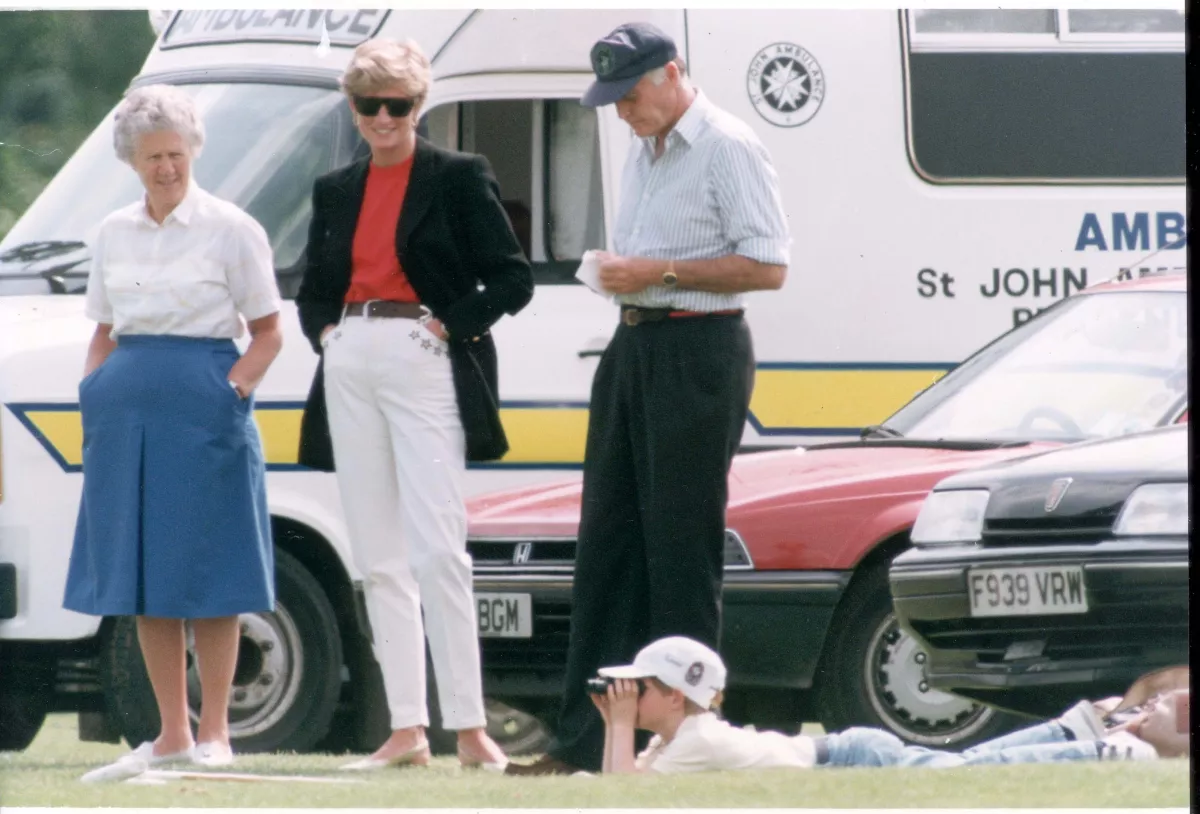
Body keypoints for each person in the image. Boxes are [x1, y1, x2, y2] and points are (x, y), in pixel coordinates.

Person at [505, 21, 790, 776]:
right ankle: (586, 746)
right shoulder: (643, 147)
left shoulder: (727, 146)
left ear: (672, 73)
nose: (623, 112)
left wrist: (655, 274)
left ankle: (689, 748)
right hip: (635, 346)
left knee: (679, 550)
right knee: (607, 547)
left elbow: (768, 265)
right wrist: (627, 277)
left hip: (700, 349)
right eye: (614, 100)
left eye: (630, 95)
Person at [295, 37, 533, 771]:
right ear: (354, 106)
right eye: (369, 104)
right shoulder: (335, 187)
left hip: (424, 354)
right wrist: (329, 335)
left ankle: (470, 729)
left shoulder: (460, 176)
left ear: (419, 105)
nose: (383, 117)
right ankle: (406, 730)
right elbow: (312, 291)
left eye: (397, 104)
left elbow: (511, 279)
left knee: (439, 549)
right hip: (351, 358)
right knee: (376, 556)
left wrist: (443, 325)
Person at [64, 85, 284, 783]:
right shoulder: (112, 233)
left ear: (193, 152)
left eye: (176, 153)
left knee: (210, 573)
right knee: (145, 576)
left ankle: (217, 733)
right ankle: (171, 735)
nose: (167, 167)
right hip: (125, 409)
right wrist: (93, 392)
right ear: (132, 161)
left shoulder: (232, 227)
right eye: (153, 156)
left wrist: (233, 392)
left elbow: (270, 332)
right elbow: (102, 328)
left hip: (205, 404)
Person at [589, 637, 1190, 774]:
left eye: (636, 687)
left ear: (673, 696)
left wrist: (615, 728)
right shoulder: (678, 740)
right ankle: (1075, 729)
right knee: (965, 764)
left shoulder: (695, 743)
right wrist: (621, 727)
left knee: (962, 775)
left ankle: (1103, 747)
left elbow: (621, 806)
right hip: (850, 751)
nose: (623, 696)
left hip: (850, 762)